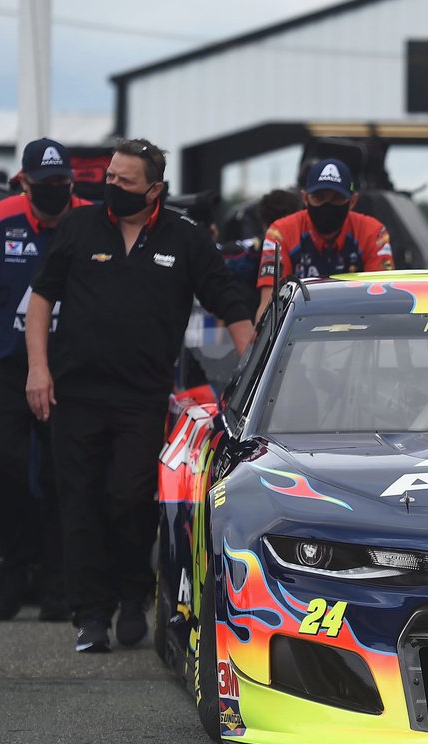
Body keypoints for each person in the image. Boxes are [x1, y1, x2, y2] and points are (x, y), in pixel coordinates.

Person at [24, 138, 255, 653]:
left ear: (155, 190)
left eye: (124, 181)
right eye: (109, 178)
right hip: (74, 394)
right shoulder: (79, 228)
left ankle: (133, 599)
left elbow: (231, 305)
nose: (112, 187)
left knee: (129, 499)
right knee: (79, 502)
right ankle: (90, 615)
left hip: (142, 398)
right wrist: (38, 369)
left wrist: (254, 376)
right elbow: (41, 299)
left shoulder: (187, 239)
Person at [0, 138, 88, 622]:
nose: (54, 191)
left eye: (62, 183)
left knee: (65, 474)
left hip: (70, 370)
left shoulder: (92, 224)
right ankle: (14, 559)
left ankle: (56, 578)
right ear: (24, 182)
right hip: (5, 366)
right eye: (44, 184)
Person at [255, 159, 392, 320]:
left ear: (352, 201)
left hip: (359, 330)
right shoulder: (281, 233)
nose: (327, 205)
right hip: (300, 333)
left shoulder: (373, 233)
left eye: (337, 198)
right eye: (318, 198)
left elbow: (383, 303)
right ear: (305, 199)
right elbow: (268, 308)